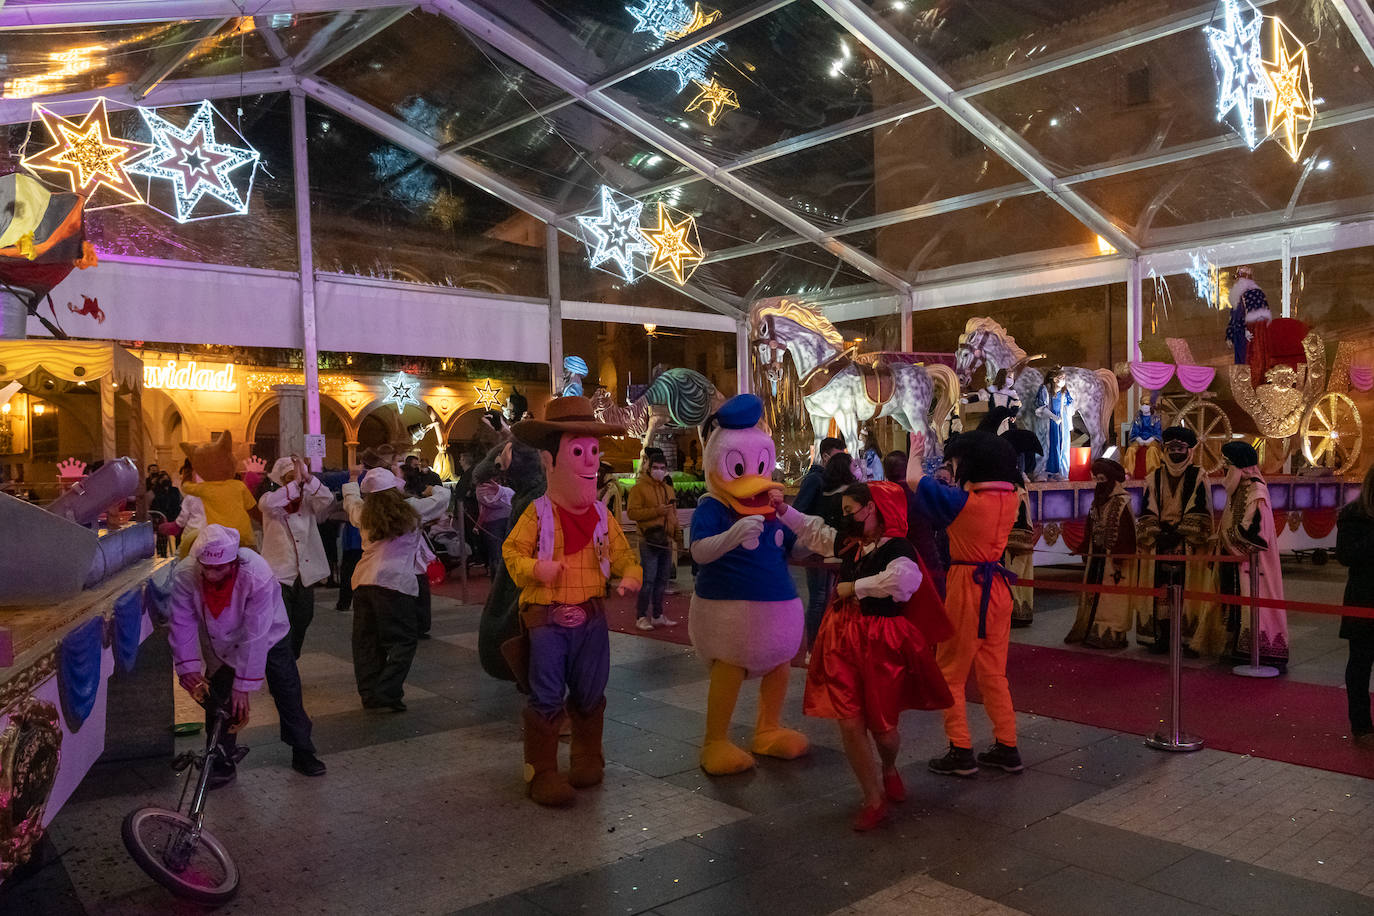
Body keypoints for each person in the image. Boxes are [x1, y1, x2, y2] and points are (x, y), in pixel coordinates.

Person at [775, 481, 952, 831]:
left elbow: (904, 582)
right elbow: (816, 533)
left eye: (849, 510)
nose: (846, 517)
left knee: (884, 730)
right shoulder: (851, 542)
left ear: (871, 507)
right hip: (842, 638)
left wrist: (854, 587)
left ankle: (888, 767)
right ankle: (873, 797)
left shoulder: (898, 546)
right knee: (850, 721)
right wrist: (784, 511)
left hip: (881, 642)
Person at [503, 396, 642, 806]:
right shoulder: (538, 512)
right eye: (578, 452)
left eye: (593, 452)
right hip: (547, 619)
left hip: (592, 617)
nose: (589, 462)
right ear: (551, 461)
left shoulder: (602, 514)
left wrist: (631, 574)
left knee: (589, 689)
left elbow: (622, 555)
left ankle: (587, 756)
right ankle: (541, 771)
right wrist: (535, 569)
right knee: (546, 692)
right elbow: (512, 553)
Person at [167, 524, 325, 786]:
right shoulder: (186, 574)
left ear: (234, 561)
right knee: (218, 698)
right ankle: (220, 759)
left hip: (270, 633)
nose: (211, 574)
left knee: (287, 689)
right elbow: (182, 622)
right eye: (206, 567)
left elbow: (256, 631)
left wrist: (244, 685)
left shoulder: (256, 571)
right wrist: (188, 668)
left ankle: (303, 750)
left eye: (219, 568)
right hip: (222, 642)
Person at [908, 429, 1023, 778]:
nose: (953, 468)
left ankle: (960, 749)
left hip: (967, 586)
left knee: (951, 673)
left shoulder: (965, 503)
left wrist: (915, 450)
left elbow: (914, 479)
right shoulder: (1012, 498)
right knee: (993, 672)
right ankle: (1007, 745)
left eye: (956, 462)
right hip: (999, 588)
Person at [342, 467, 448, 711]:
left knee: (366, 641)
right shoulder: (411, 509)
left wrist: (351, 478)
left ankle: (369, 694)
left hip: (364, 582)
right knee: (403, 641)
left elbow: (351, 501)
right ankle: (388, 691)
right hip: (395, 583)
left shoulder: (363, 513)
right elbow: (442, 500)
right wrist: (433, 488)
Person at [1134, 427, 1214, 655]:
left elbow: (1201, 508)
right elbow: (1147, 508)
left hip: (1188, 542)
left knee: (1187, 590)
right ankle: (1160, 636)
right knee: (1161, 590)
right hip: (1159, 541)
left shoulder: (1199, 475)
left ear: (1189, 450)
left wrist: (1179, 533)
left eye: (1180, 448)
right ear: (1164, 449)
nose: (1175, 452)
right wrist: (1159, 533)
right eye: (1171, 448)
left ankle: (1189, 639)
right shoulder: (1153, 477)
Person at [1218, 441, 1288, 671]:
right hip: (1237, 563)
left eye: (1227, 466)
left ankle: (1262, 652)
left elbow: (1256, 534)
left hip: (1254, 565)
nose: (1224, 471)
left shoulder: (1256, 491)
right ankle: (1240, 649)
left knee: (1256, 604)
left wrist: (1225, 541)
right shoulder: (1238, 487)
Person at [258, 455, 335, 659]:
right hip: (279, 572)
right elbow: (273, 503)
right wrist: (296, 483)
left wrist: (309, 479)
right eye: (290, 477)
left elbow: (327, 499)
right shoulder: (268, 499)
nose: (295, 481)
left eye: (297, 476)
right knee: (282, 621)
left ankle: (292, 656)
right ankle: (283, 660)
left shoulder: (308, 500)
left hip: (304, 572)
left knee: (304, 617)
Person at [1066, 457, 1136, 649]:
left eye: (1102, 479)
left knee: (1111, 597)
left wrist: (1120, 555)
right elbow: (1090, 528)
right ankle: (1092, 630)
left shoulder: (1121, 501)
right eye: (1096, 479)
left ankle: (1111, 634)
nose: (1099, 484)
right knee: (1094, 595)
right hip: (1097, 557)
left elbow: (1127, 532)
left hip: (1114, 560)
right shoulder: (1096, 503)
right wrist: (1082, 548)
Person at [793, 436, 847, 648]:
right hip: (815, 543)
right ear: (825, 456)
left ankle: (821, 642)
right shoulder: (815, 479)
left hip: (827, 544)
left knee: (826, 596)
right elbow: (799, 510)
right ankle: (813, 646)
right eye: (837, 456)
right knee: (818, 596)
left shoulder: (829, 480)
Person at [1337, 465, 1374, 744]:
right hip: (1364, 598)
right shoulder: (1353, 514)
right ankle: (1361, 726)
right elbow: (1347, 556)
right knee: (1360, 664)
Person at [884, 450, 946, 599]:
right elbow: (937, 522)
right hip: (925, 552)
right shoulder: (920, 492)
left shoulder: (884, 495)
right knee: (933, 601)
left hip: (894, 556)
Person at [627, 452, 679, 630]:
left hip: (665, 539)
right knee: (648, 579)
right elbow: (633, 513)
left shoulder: (668, 488)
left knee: (662, 579)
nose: (659, 471)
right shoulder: (639, 488)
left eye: (662, 468)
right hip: (648, 539)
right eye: (656, 468)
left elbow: (673, 514)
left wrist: (676, 535)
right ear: (649, 468)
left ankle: (657, 614)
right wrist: (656, 511)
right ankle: (641, 616)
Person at [474, 463, 514, 580]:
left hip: (506, 520)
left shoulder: (500, 486)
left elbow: (511, 500)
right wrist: (502, 494)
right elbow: (493, 503)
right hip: (493, 523)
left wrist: (501, 492)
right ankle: (498, 582)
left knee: (509, 551)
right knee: (496, 555)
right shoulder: (481, 489)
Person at [1035, 371, 1073, 481]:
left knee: (1060, 446)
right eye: (1061, 377)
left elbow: (1069, 405)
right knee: (1047, 445)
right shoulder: (1044, 390)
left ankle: (1060, 472)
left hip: (1061, 423)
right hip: (1048, 422)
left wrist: (1065, 421)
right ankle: (1043, 471)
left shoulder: (1064, 392)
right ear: (1054, 379)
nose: (1063, 380)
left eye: (1064, 377)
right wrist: (1053, 417)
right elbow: (1041, 407)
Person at [150, 471, 183, 558]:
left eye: (167, 478)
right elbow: (154, 505)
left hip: (175, 516)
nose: (165, 480)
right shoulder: (156, 492)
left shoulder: (175, 490)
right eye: (163, 478)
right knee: (162, 538)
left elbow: (180, 501)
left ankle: (178, 554)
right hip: (162, 517)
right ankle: (162, 554)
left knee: (179, 536)